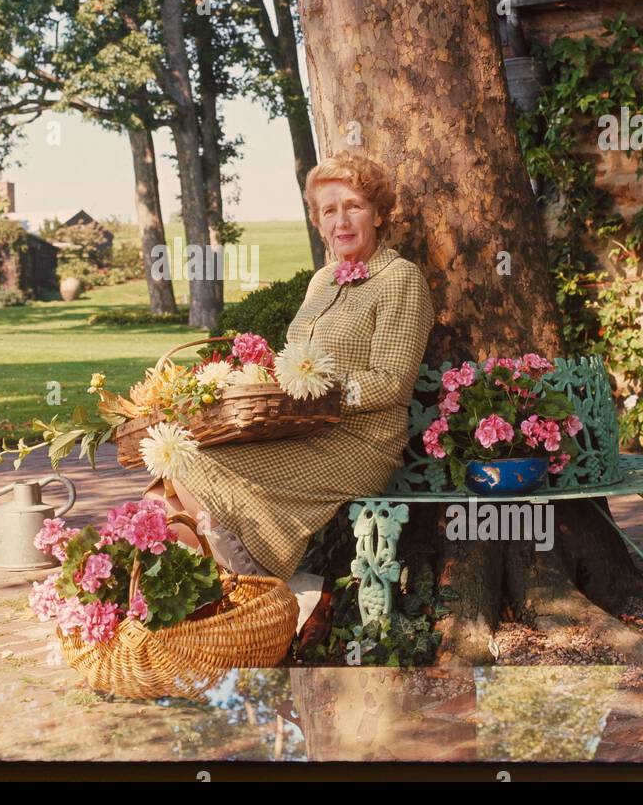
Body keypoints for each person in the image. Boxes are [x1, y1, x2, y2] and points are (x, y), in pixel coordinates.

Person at [143, 150, 435, 650]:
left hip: (360, 442)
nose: (341, 221)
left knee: (193, 470)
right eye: (329, 210)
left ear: (379, 214)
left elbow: (392, 381)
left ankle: (254, 606)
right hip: (300, 430)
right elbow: (293, 363)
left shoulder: (400, 279)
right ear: (318, 222)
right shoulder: (322, 281)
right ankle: (221, 610)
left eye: (354, 206)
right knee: (166, 483)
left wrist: (319, 390)